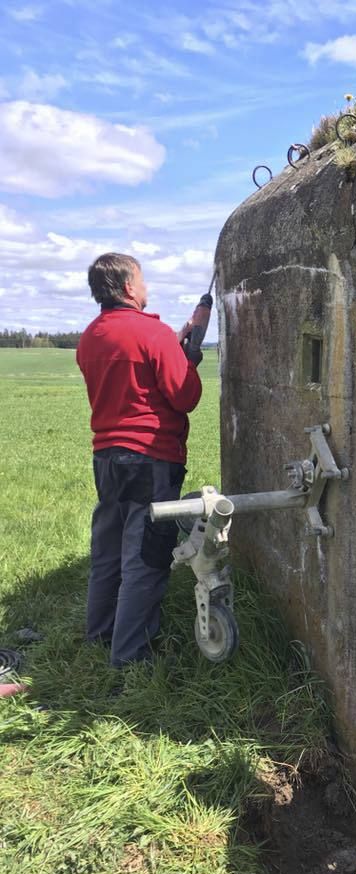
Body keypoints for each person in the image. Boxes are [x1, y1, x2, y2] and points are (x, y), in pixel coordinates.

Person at [77, 252, 209, 668]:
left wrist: (176, 342)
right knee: (146, 557)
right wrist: (185, 356)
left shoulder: (91, 336)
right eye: (143, 279)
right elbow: (184, 397)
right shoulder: (153, 335)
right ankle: (131, 657)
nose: (146, 286)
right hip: (150, 458)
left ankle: (100, 634)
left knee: (109, 550)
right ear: (130, 287)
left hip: (107, 457)